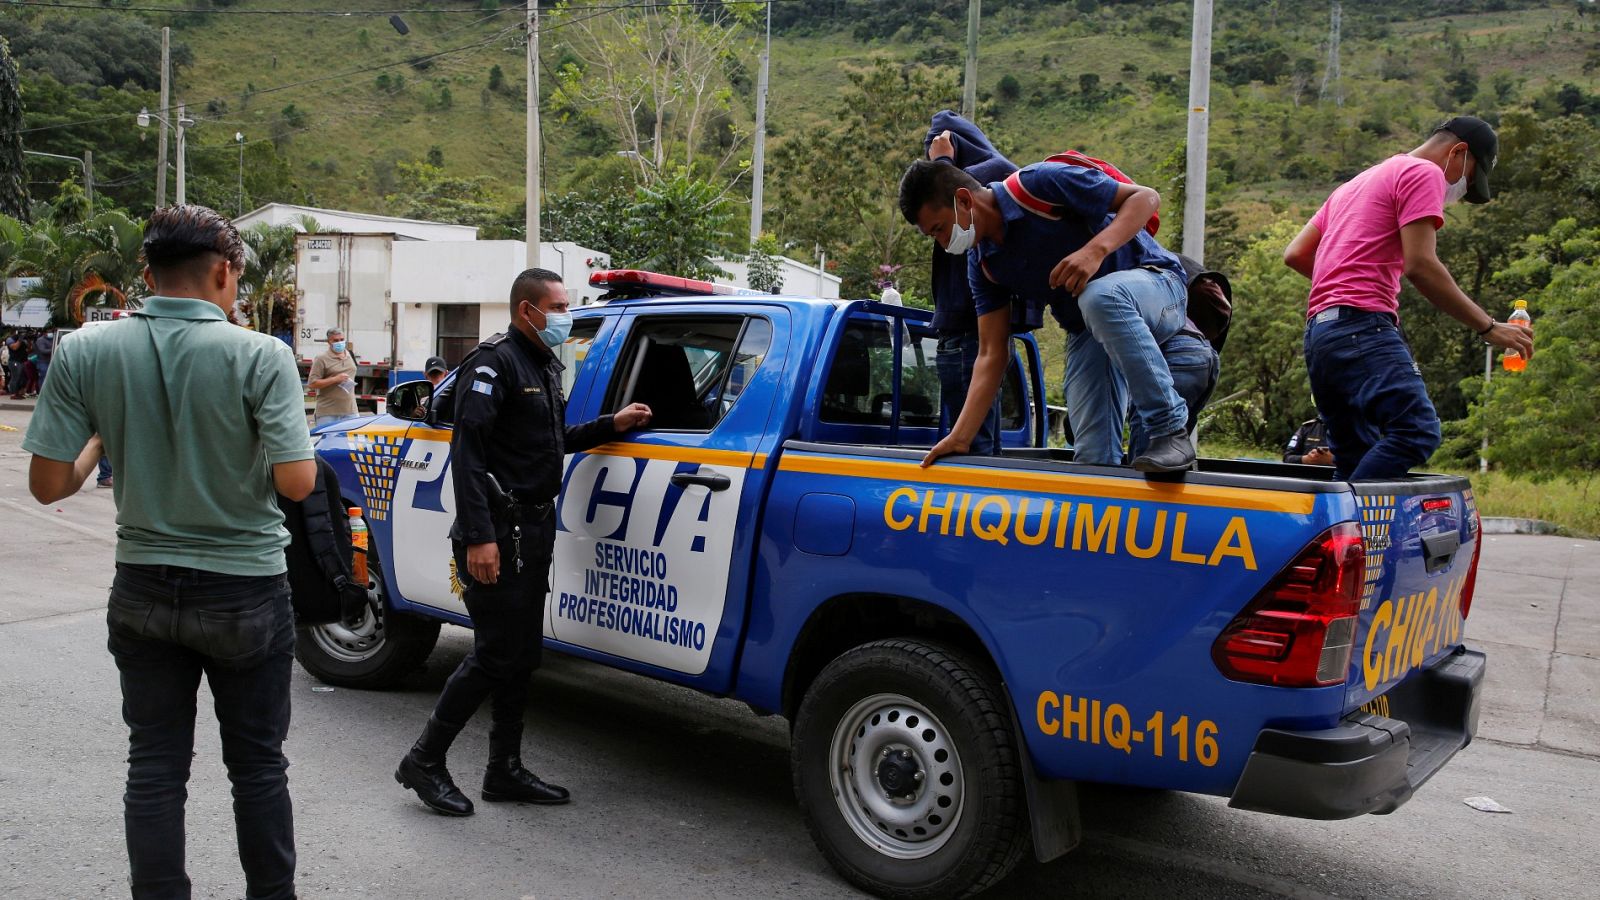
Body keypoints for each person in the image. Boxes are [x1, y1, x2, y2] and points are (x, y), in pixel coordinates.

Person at [22, 204, 316, 900]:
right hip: (244, 587)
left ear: (147, 274)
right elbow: (297, 483)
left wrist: (104, 434)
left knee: (154, 766)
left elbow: (47, 485)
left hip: (143, 586)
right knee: (257, 768)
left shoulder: (84, 352)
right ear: (223, 273)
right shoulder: (260, 355)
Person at [395, 268, 652, 817]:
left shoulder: (543, 365)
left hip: (533, 528)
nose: (566, 315)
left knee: (521, 657)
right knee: (493, 655)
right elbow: (467, 456)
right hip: (496, 531)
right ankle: (424, 760)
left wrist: (614, 423)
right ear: (526, 311)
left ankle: (502, 770)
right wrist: (479, 538)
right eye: (557, 306)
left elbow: (550, 443)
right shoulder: (493, 365)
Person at [898, 158, 1194, 474]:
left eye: (940, 229)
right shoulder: (984, 264)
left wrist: (1095, 251)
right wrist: (960, 436)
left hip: (1158, 286)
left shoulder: (1038, 185)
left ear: (964, 200)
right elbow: (991, 353)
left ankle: (1169, 429)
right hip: (1089, 329)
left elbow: (1145, 198)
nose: (944, 243)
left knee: (1100, 296)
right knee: (1092, 458)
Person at [1284, 116, 1533, 480]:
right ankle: (1353, 522)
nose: (1459, 190)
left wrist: (1351, 279)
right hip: (1361, 327)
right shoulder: (1423, 172)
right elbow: (1421, 265)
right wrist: (1488, 327)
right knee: (1416, 431)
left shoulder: (1355, 184)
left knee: (1354, 454)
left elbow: (1296, 253)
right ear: (1459, 152)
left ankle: (1348, 534)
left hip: (1321, 335)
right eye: (1467, 177)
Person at [921, 112, 1021, 454]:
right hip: (971, 334)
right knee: (981, 446)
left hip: (968, 335)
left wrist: (943, 163)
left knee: (972, 448)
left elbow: (997, 169)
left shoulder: (986, 180)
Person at [307, 327, 358, 427]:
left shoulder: (349, 354)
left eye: (342, 340)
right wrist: (335, 379)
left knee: (350, 441)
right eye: (335, 340)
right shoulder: (321, 358)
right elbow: (312, 384)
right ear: (329, 342)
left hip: (350, 410)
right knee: (328, 441)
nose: (339, 343)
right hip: (328, 412)